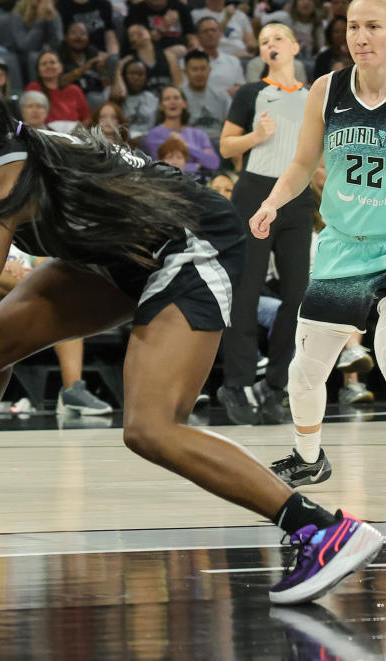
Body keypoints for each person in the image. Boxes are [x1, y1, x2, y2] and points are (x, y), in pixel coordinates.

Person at [0, 73, 383, 602]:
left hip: (191, 246)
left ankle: (321, 528)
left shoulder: (7, 184)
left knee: (150, 428)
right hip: (120, 253)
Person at [248, 0, 386, 485]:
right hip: (342, 247)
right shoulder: (328, 90)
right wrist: (271, 203)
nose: (360, 36)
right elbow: (304, 162)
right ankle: (309, 458)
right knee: (303, 374)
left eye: (373, 26)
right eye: (353, 26)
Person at [217, 24, 312, 425]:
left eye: (277, 38)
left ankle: (277, 384)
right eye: (264, 42)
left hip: (297, 196)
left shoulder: (313, 98)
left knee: (296, 294)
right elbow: (225, 146)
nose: (271, 45)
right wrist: (257, 135)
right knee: (247, 289)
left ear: (294, 46)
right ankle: (235, 384)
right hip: (255, 191)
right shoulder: (251, 94)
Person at [143, 85, 220, 173]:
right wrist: (197, 165)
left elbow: (214, 163)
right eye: (167, 99)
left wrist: (185, 145)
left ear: (184, 104)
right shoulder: (154, 135)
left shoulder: (199, 134)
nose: (172, 102)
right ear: (161, 106)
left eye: (176, 98)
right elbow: (161, 168)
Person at [25, 49, 90, 131]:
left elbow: (86, 119)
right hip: (44, 135)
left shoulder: (74, 90)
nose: (48, 66)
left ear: (61, 67)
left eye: (52, 62)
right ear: (39, 71)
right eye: (44, 64)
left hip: (73, 137)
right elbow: (29, 117)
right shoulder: (34, 88)